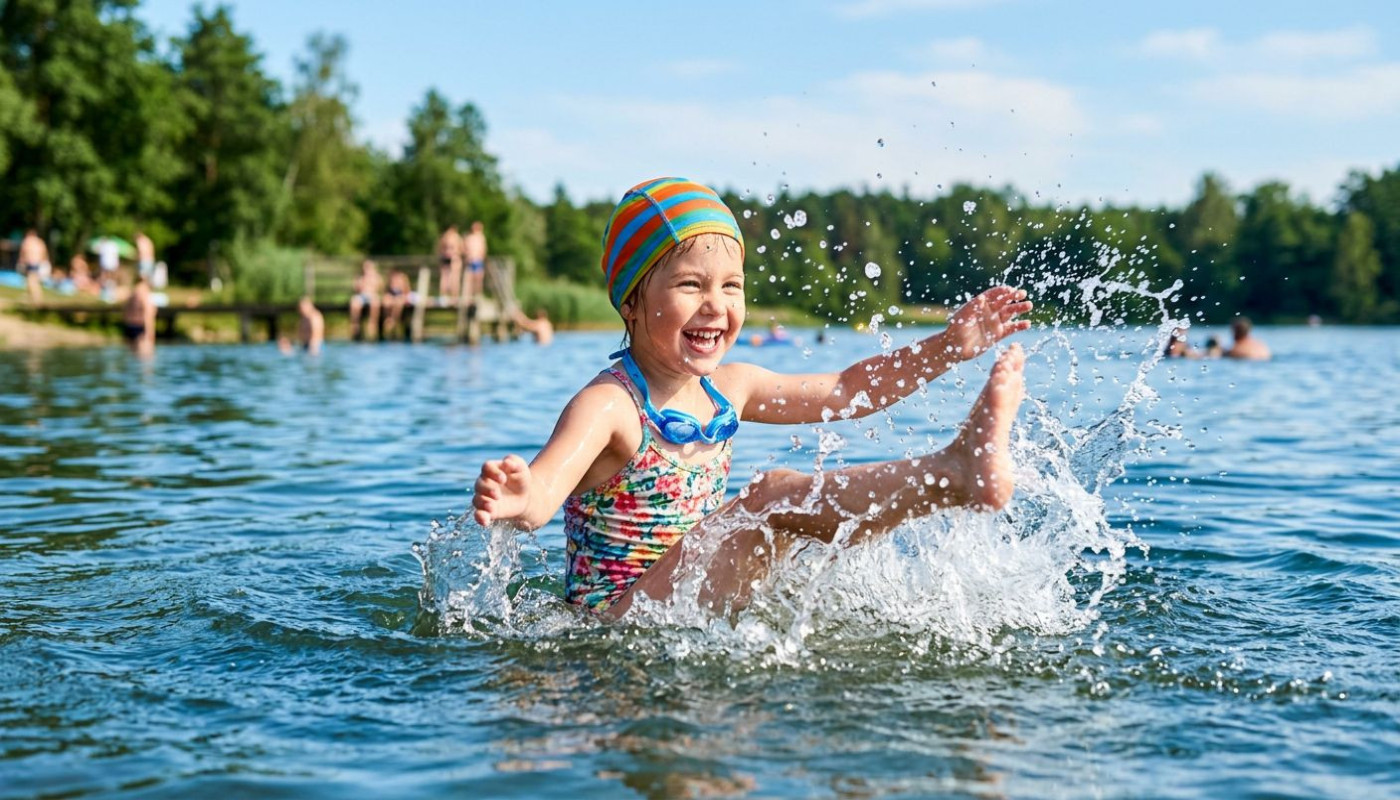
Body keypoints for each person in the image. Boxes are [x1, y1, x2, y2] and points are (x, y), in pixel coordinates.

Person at [473, 177, 1031, 619]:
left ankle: (951, 489)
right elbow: (543, 495)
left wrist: (948, 346)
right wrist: (521, 496)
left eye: (731, 286)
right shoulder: (610, 405)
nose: (716, 304)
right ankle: (953, 471)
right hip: (615, 623)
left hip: (686, 605)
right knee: (771, 496)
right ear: (632, 304)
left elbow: (849, 390)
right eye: (691, 285)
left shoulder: (729, 388)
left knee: (795, 521)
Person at [122, 276, 157, 355]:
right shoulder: (145, 293)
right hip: (141, 326)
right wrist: (150, 332)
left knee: (132, 356)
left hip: (129, 325)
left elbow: (125, 311)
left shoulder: (132, 292)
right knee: (146, 357)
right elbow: (148, 313)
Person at [349, 259, 382, 341]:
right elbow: (356, 289)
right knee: (354, 302)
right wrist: (361, 282)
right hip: (361, 296)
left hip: (372, 296)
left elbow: (379, 288)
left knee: (375, 303)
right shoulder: (359, 277)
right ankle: (355, 324)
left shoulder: (376, 277)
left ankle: (372, 323)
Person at [381, 268, 415, 340]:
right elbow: (387, 291)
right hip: (392, 298)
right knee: (387, 300)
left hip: (401, 299)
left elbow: (407, 291)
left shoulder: (403, 279)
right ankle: (388, 318)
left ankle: (393, 320)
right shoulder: (391, 280)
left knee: (399, 301)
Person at [18, 229, 49, 305]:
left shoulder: (27, 241)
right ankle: (29, 297)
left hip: (32, 263)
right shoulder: (40, 242)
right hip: (39, 263)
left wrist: (21, 262)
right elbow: (45, 254)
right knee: (30, 280)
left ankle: (38, 300)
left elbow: (23, 253)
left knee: (32, 281)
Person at [437, 225, 463, 305]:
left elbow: (439, 248)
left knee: (444, 278)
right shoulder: (456, 237)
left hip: (445, 256)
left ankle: (443, 296)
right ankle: (454, 297)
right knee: (455, 277)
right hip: (454, 257)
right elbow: (461, 248)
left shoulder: (444, 237)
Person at [463, 220, 487, 302]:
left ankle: (475, 295)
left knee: (477, 279)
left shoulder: (472, 237)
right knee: (472, 279)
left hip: (475, 260)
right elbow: (483, 250)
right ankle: (471, 295)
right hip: (475, 260)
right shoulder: (479, 237)